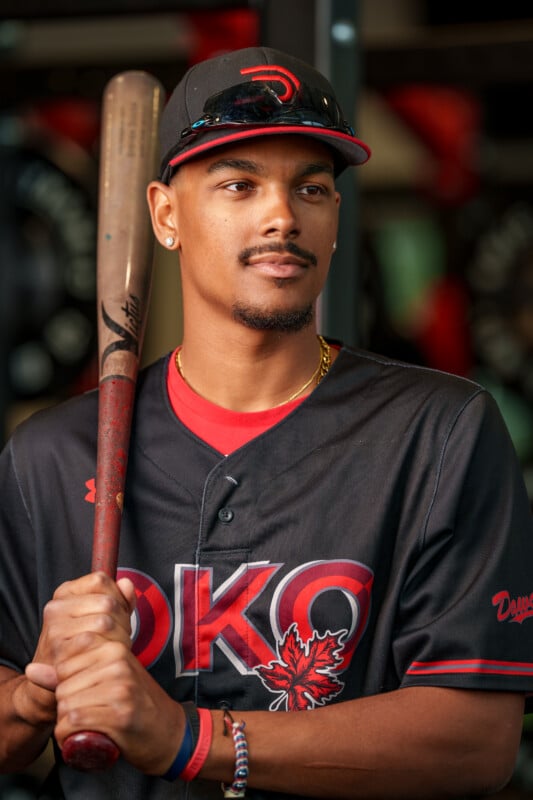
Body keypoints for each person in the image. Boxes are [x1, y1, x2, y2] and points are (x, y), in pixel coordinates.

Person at [0, 46, 532, 800]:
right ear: (164, 214)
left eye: (310, 188)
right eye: (239, 185)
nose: (282, 216)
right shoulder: (51, 457)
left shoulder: (436, 435)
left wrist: (191, 739)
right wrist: (35, 693)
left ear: (335, 218)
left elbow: (476, 743)